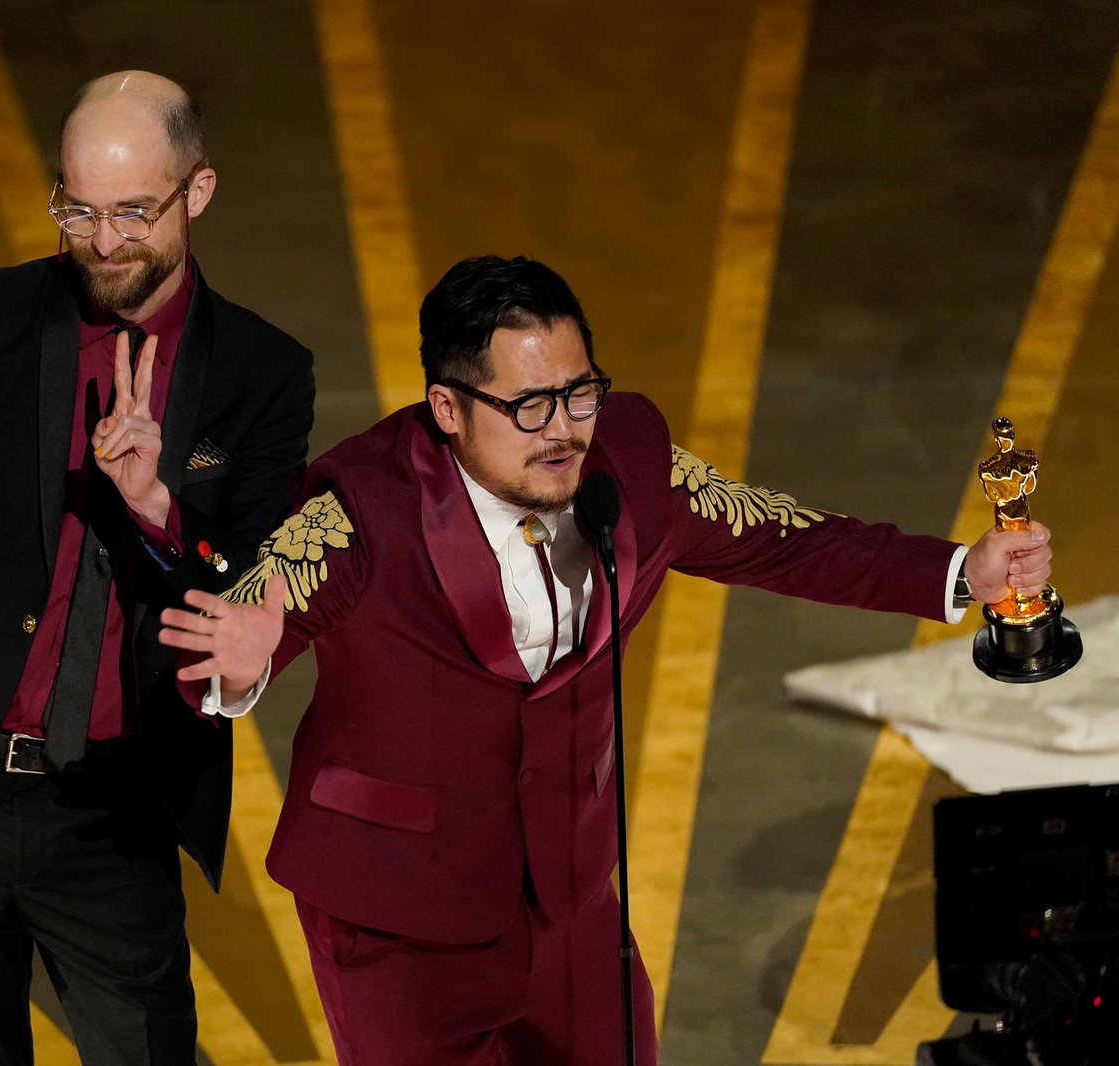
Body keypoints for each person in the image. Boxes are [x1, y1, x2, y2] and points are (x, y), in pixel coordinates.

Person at [159, 255, 1052, 1066]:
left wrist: (959, 572)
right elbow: (239, 635)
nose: (563, 431)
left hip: (570, 900)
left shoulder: (631, 463)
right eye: (529, 406)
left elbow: (780, 538)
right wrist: (240, 669)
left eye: (580, 393)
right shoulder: (360, 510)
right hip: (399, 921)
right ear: (448, 409)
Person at [0, 71, 315, 1065]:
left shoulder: (262, 372)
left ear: (197, 192)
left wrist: (157, 507)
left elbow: (246, 583)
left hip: (113, 806)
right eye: (77, 210)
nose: (103, 241)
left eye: (132, 212)